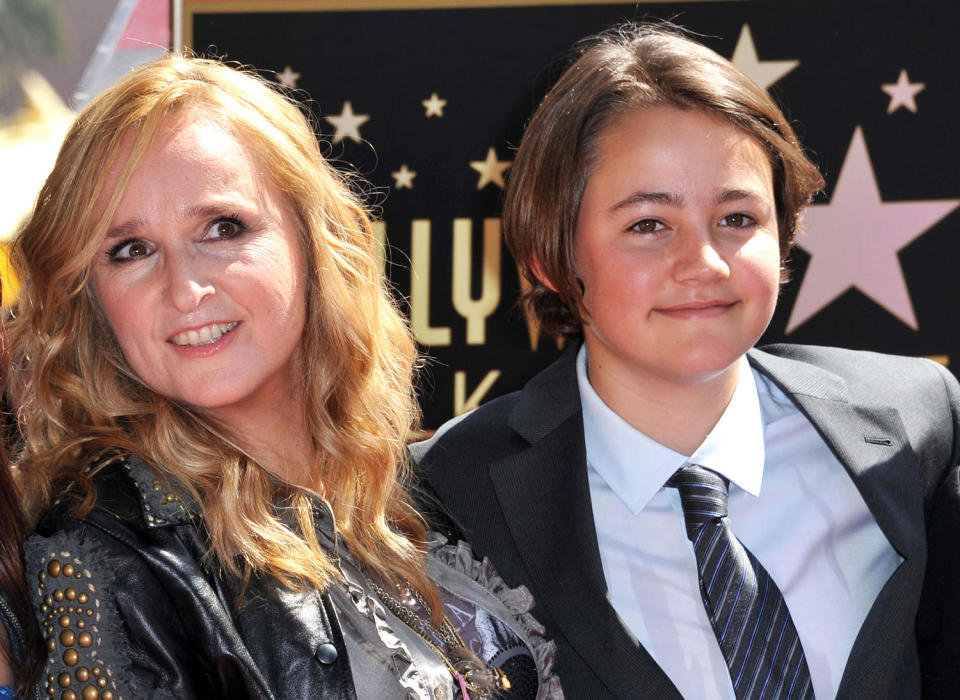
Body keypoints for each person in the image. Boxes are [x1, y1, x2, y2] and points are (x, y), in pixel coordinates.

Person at [413, 22, 960, 700]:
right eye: (648, 225)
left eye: (738, 219)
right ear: (551, 258)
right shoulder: (450, 492)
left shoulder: (917, 420)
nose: (703, 263)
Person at [9, 54, 560, 700]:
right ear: (93, 297)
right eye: (131, 250)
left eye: (222, 228)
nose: (185, 289)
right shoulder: (105, 547)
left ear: (308, 239)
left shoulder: (394, 484)